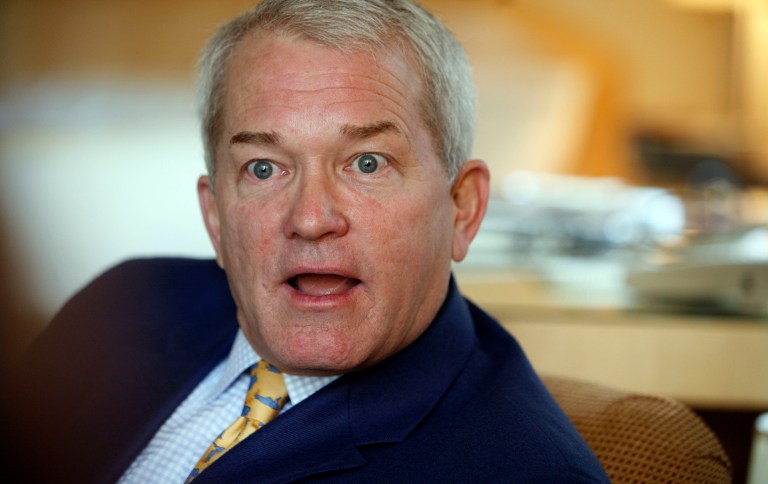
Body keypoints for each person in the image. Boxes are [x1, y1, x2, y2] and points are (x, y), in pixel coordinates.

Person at [11, 0, 609, 482]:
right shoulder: (124, 303)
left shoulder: (523, 470)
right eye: (265, 168)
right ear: (215, 214)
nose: (312, 218)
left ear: (462, 208)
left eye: (367, 163)